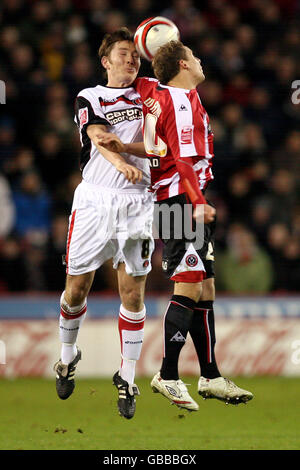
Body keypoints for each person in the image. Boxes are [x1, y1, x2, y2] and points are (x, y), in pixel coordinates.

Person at [99, 40, 253, 410]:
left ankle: (211, 375)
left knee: (206, 287)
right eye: (196, 57)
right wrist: (199, 203)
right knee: (188, 286)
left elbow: (158, 148)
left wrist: (125, 147)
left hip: (183, 197)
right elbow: (182, 162)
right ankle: (167, 374)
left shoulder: (157, 92)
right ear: (184, 65)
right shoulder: (180, 102)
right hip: (181, 201)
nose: (201, 61)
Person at [53, 28, 154, 420]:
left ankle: (128, 378)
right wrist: (121, 163)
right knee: (77, 287)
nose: (131, 59)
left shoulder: (152, 95)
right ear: (105, 61)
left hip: (140, 202)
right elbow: (98, 135)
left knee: (133, 294)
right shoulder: (91, 96)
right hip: (96, 198)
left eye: (135, 55)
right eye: (123, 54)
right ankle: (66, 357)